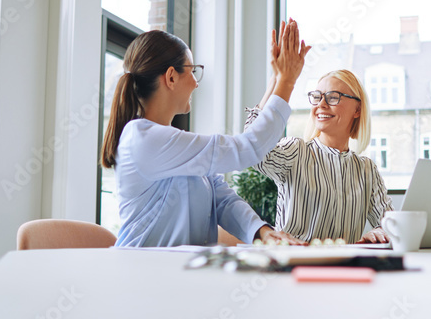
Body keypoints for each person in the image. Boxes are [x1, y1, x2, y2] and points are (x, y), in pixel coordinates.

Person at [103, 21, 310, 247]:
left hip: (180, 273)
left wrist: (262, 231)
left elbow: (222, 199)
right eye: (192, 71)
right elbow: (248, 148)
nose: (195, 83)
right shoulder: (142, 138)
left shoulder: (172, 144)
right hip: (142, 274)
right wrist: (287, 82)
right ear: (171, 77)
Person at [245, 68, 393, 243]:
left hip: (345, 268)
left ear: (357, 109)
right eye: (317, 96)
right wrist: (275, 82)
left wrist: (378, 233)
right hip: (294, 265)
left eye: (332, 97)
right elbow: (251, 151)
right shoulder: (296, 151)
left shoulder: (367, 169)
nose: (321, 104)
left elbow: (392, 225)